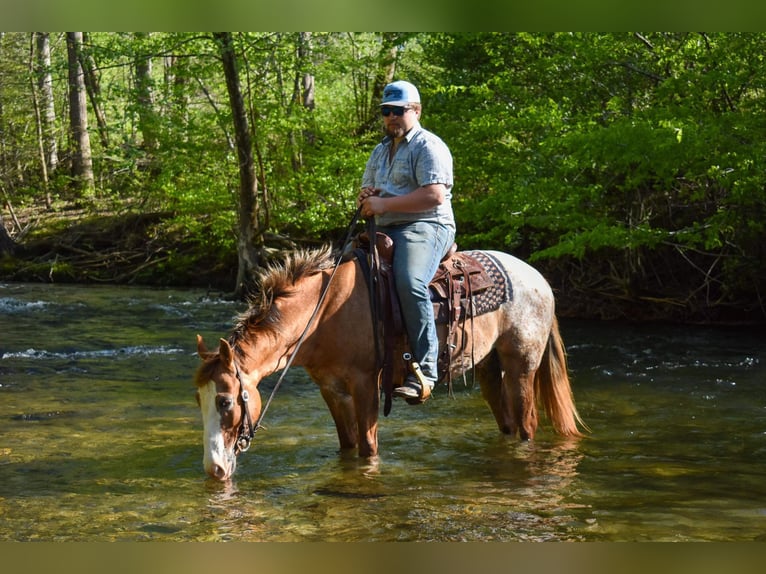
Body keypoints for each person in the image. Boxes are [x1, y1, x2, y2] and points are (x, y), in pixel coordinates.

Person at [357, 80, 456, 403]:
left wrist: (384, 204)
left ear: (416, 110)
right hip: (385, 229)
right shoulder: (380, 150)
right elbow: (370, 192)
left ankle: (427, 370)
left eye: (397, 111)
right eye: (386, 112)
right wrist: (366, 198)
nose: (390, 118)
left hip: (427, 225)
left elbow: (434, 195)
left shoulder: (429, 146)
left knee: (409, 281)